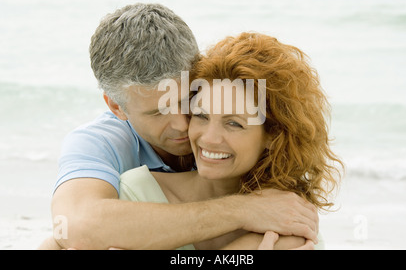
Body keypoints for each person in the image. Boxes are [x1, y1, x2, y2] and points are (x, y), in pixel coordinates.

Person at [40, 4, 319, 250]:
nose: (184, 124)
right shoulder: (103, 145)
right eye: (159, 111)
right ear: (116, 107)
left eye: (189, 101)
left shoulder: (235, 127)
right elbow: (76, 228)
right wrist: (244, 210)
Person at [118, 32, 343, 249]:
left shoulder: (290, 220)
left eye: (234, 123)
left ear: (273, 136)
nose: (209, 138)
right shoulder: (138, 192)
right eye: (201, 116)